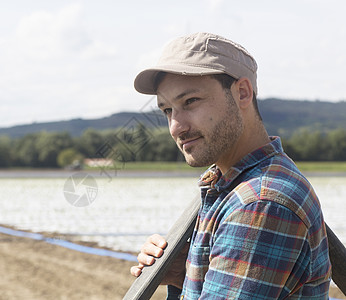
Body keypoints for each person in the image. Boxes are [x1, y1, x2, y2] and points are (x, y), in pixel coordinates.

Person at [130, 32, 331, 299]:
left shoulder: (260, 203)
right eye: (167, 110)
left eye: (190, 101)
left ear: (242, 93)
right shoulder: (231, 183)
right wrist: (185, 277)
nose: (176, 127)